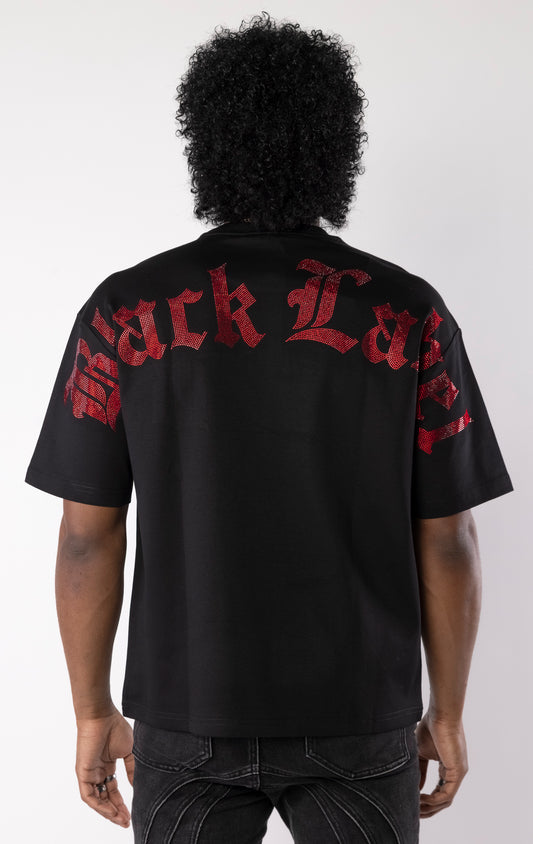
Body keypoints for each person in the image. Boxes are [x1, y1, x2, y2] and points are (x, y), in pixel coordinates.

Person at [24, 11, 514, 844]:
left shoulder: (124, 309)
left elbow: (85, 535)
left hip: (185, 713)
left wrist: (92, 711)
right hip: (358, 712)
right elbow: (447, 539)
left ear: (206, 144)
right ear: (335, 146)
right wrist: (448, 711)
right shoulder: (407, 310)